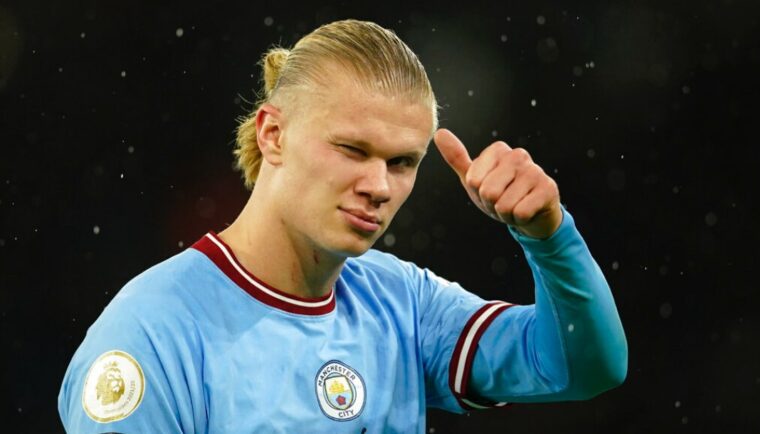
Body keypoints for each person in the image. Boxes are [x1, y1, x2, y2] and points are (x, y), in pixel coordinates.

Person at [58, 19, 627, 433]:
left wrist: (550, 239)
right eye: (353, 150)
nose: (379, 186)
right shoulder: (151, 335)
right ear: (272, 135)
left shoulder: (402, 303)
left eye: (402, 163)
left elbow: (583, 367)